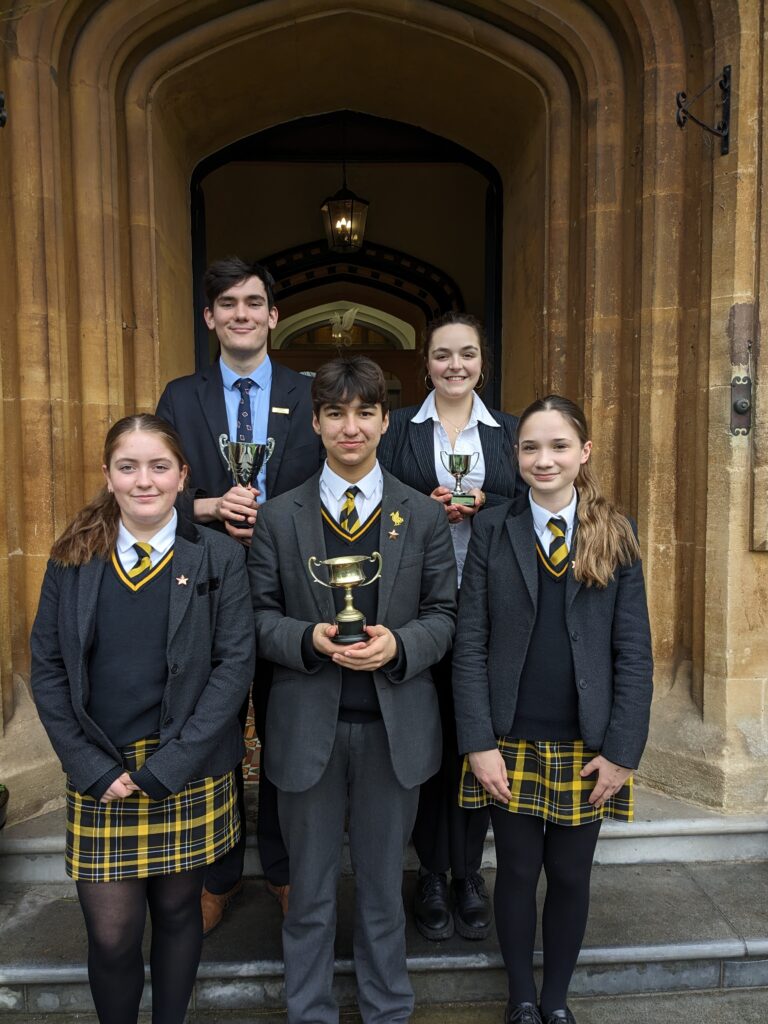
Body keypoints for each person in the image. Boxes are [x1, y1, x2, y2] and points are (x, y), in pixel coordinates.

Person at [249, 355, 457, 1024]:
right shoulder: (278, 518)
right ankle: (308, 1011)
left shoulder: (421, 517)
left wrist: (401, 646)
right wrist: (307, 638)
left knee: (381, 893)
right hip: (307, 731)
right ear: (315, 422)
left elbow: (444, 616)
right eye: (335, 413)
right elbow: (256, 619)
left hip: (394, 736)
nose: (351, 426)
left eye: (365, 412)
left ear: (385, 421)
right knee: (308, 895)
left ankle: (387, 1010)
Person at [29, 414, 255, 1024]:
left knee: (180, 914)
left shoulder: (217, 557)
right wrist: (88, 767)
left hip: (185, 766)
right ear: (108, 476)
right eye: (128, 467)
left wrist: (172, 765)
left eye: (159, 466)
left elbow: (234, 667)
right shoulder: (72, 558)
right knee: (111, 935)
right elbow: (47, 668)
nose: (144, 480)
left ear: (183, 476)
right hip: (101, 772)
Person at [452, 395, 653, 1024]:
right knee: (515, 871)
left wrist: (622, 752)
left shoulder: (616, 533)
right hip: (508, 740)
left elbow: (634, 653)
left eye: (559, 446)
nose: (545, 459)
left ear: (583, 452)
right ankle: (521, 999)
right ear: (515, 455)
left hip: (587, 746)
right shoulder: (493, 529)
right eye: (531, 447)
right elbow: (471, 643)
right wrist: (478, 742)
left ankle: (557, 1001)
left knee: (569, 874)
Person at [156, 257, 323, 930]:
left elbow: (335, 480)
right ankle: (219, 874)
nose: (242, 314)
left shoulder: (308, 394)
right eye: (227, 304)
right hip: (205, 582)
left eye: (254, 303)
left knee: (285, 728)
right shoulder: (180, 397)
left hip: (292, 586)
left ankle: (281, 868)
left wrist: (277, 517)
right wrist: (207, 506)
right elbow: (153, 486)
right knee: (214, 727)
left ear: (274, 315)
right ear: (210, 318)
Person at [378, 310, 524, 941]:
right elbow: (378, 501)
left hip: (492, 607)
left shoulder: (510, 433)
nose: (455, 365)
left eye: (467, 353)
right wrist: (422, 509)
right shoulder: (397, 432)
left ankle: (469, 873)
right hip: (419, 608)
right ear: (426, 363)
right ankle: (432, 872)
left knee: (480, 737)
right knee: (431, 744)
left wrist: (487, 505)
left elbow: (534, 503)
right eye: (442, 354)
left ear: (482, 362)